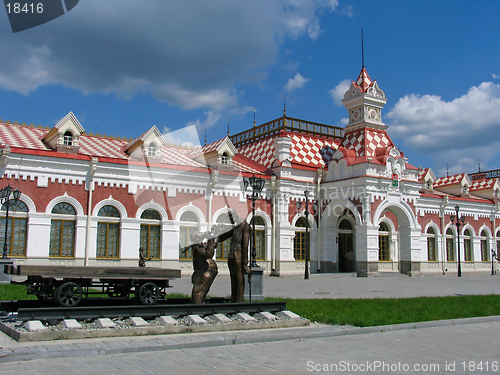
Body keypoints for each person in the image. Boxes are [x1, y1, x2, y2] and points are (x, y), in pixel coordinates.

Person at [217, 210, 252, 303]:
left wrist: (245, 263)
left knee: (239, 279)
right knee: (233, 279)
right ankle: (234, 301)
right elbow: (221, 237)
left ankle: (239, 302)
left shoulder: (245, 226)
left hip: (238, 256)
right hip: (232, 256)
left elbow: (245, 245)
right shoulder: (236, 227)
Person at [190, 229, 220, 304]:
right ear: (196, 237)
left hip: (207, 272)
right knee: (199, 291)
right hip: (203, 273)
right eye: (199, 233)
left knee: (202, 290)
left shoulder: (201, 244)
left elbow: (213, 245)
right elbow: (209, 254)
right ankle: (197, 309)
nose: (202, 233)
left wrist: (217, 234)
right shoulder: (197, 247)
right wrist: (209, 238)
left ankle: (200, 307)